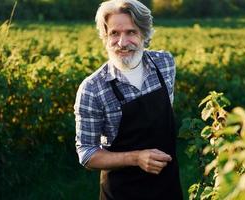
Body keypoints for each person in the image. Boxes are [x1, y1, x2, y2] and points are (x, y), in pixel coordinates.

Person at [74, 0, 183, 199]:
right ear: (105, 37)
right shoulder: (92, 88)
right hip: (122, 191)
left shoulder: (165, 64)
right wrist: (136, 158)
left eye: (131, 32)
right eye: (114, 33)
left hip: (168, 186)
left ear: (144, 34)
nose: (122, 43)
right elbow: (87, 153)